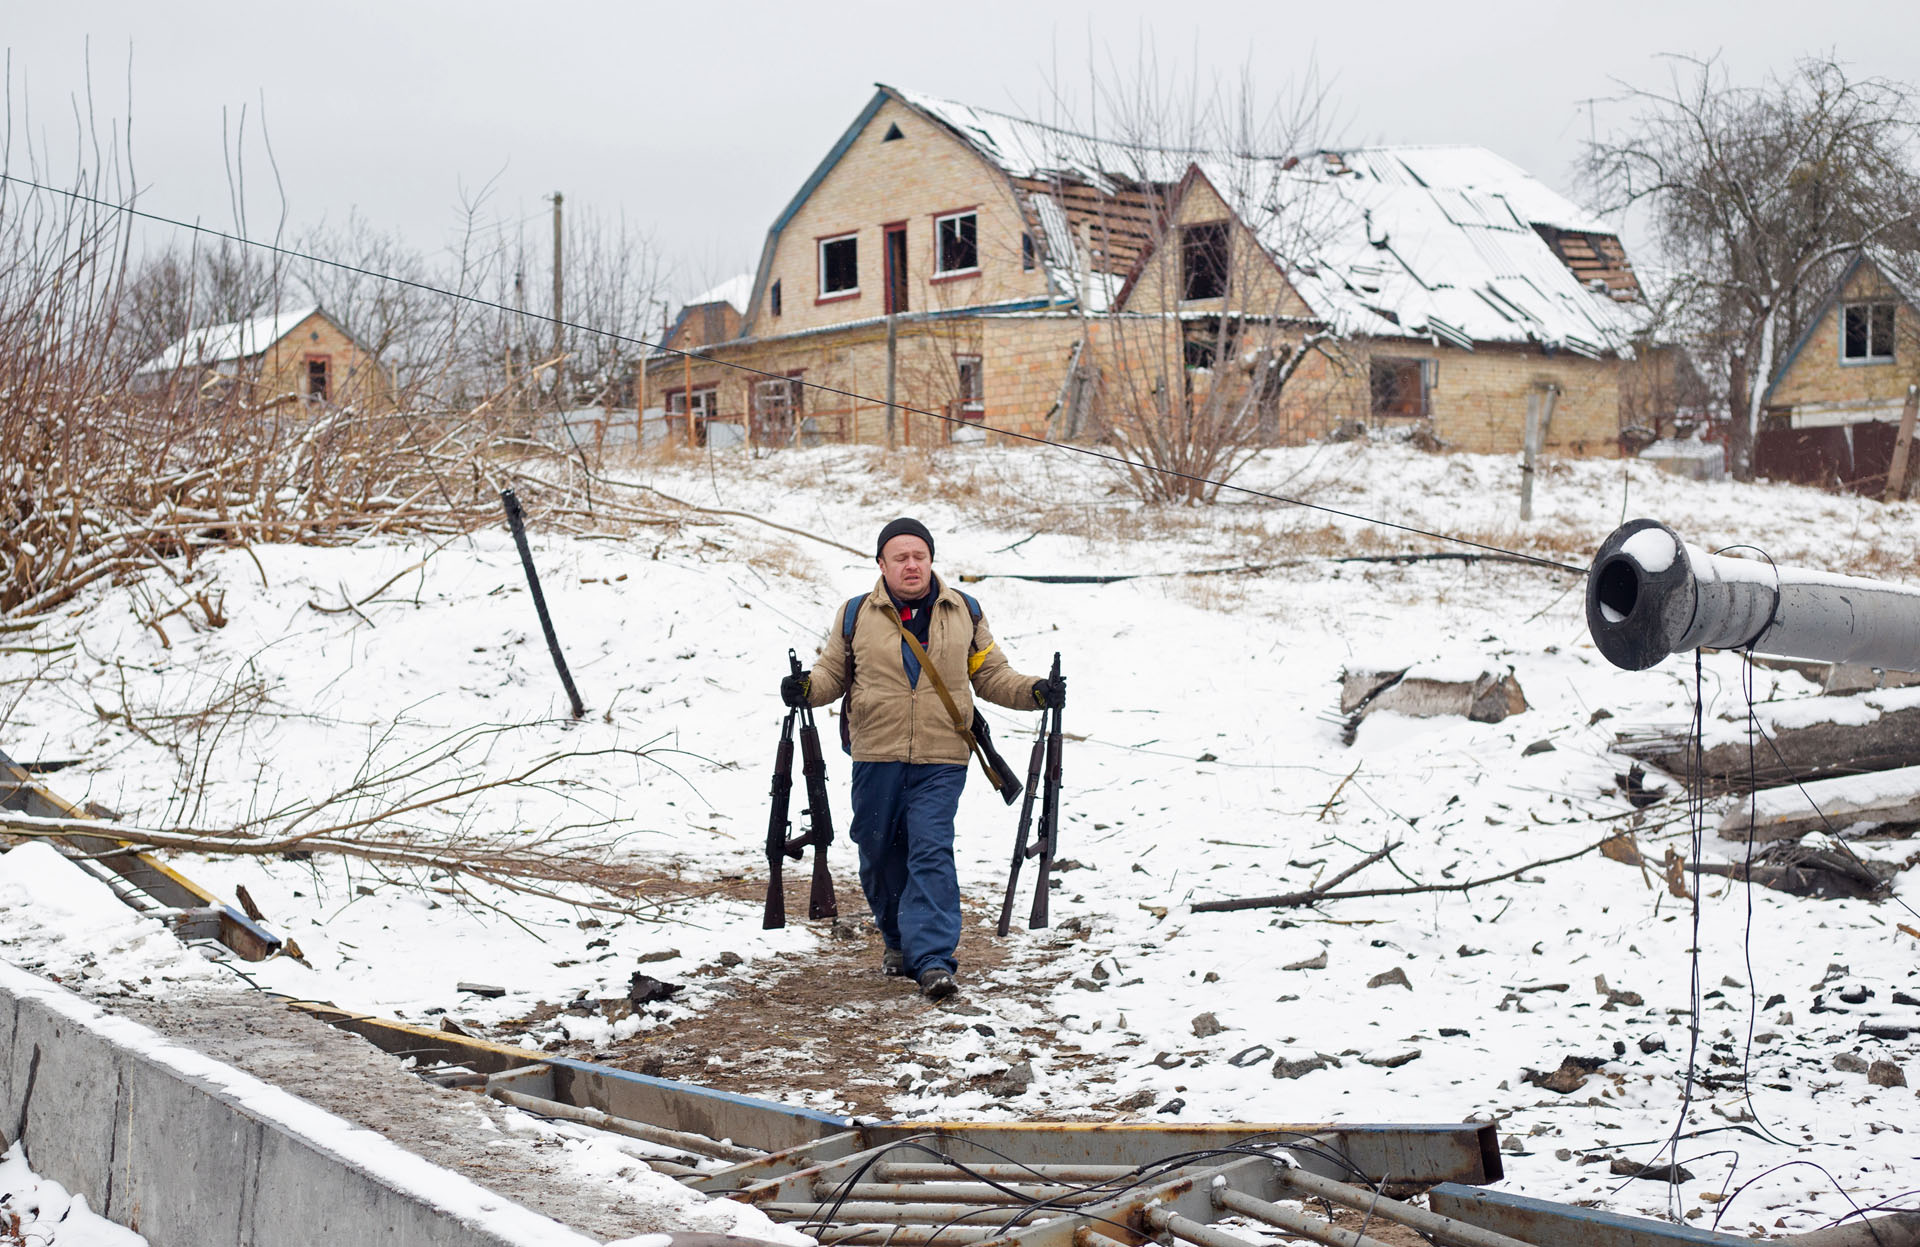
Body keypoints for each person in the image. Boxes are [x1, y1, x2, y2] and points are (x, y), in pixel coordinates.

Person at [780, 518, 1064, 1001]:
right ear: (882, 564)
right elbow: (832, 675)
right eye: (901, 557)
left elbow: (991, 675)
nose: (911, 565)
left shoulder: (965, 611)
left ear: (931, 560)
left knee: (930, 849)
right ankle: (897, 940)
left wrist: (1035, 691)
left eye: (920, 556)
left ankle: (932, 959)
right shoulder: (855, 614)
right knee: (877, 851)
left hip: (942, 756)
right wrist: (806, 689)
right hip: (876, 753)